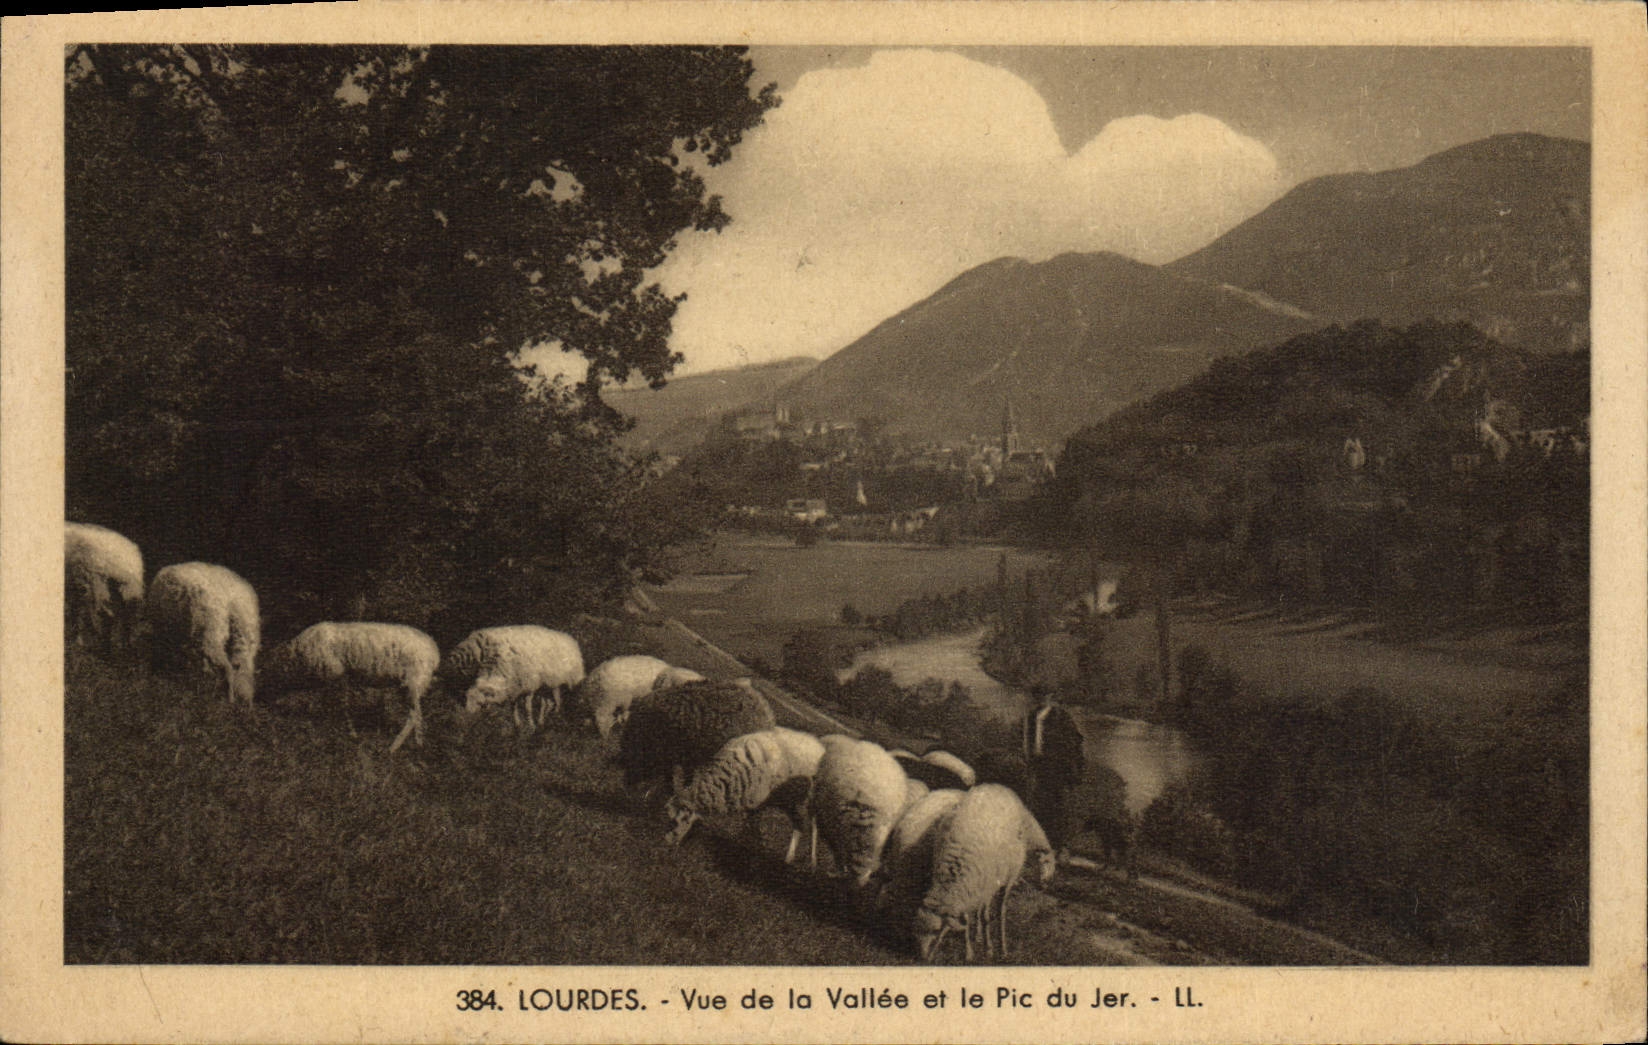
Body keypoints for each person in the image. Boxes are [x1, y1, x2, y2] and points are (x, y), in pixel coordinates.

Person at [1022, 683, 1085, 854]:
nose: (1041, 699)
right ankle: (1042, 845)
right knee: (1039, 804)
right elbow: (1028, 741)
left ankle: (1061, 847)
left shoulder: (1061, 717)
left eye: (1045, 696)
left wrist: (1072, 770)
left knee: (1057, 807)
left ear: (1051, 698)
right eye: (1038, 696)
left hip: (1056, 768)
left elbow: (1075, 742)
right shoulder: (1032, 716)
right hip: (1038, 766)